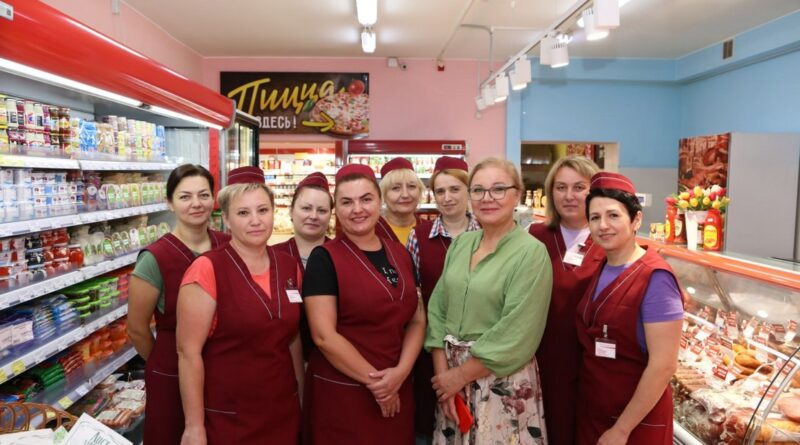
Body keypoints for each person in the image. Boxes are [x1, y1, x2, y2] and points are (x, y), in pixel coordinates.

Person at [425, 157, 552, 445]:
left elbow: (517, 331)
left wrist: (459, 377)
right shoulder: (461, 244)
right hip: (450, 382)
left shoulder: (531, 253)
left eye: (498, 189)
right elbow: (437, 311)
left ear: (517, 195)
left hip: (500, 380)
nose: (487, 198)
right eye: (478, 190)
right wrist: (444, 379)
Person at [176, 166, 304, 445]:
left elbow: (292, 339)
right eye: (243, 213)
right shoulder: (207, 269)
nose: (256, 221)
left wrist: (302, 397)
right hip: (229, 416)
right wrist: (194, 427)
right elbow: (188, 353)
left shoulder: (288, 266)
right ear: (226, 220)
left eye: (263, 210)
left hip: (282, 409)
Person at [302, 163, 426, 445]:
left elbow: (418, 320)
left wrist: (401, 372)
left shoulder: (400, 254)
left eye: (366, 199)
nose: (357, 209)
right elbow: (323, 336)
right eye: (347, 202)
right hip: (345, 392)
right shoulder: (324, 258)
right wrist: (379, 384)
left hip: (397, 385)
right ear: (336, 209)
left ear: (379, 202)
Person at [576, 172, 683, 445]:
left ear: (636, 220)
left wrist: (622, 430)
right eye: (595, 217)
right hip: (595, 412)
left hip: (633, 423)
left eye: (613, 215)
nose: (603, 225)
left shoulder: (656, 278)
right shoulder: (602, 267)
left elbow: (664, 365)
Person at [128, 164, 229, 445]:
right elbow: (137, 329)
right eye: (185, 197)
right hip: (172, 374)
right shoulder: (154, 258)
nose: (196, 203)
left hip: (225, 368)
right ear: (169, 203)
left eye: (203, 195)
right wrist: (164, 364)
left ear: (213, 198)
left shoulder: (229, 246)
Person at [527, 155, 603, 445]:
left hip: (593, 364)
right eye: (560, 187)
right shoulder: (533, 236)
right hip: (541, 359)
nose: (569, 196)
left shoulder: (609, 238)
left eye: (579, 187)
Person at [405, 156, 479, 444]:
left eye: (455, 189)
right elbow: (415, 295)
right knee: (431, 419)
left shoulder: (487, 233)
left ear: (469, 191)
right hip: (431, 345)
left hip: (477, 348)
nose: (447, 198)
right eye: (440, 191)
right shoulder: (419, 236)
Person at [273, 171, 333, 268]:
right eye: (306, 208)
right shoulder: (272, 256)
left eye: (322, 210)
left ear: (330, 215)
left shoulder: (341, 256)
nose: (314, 216)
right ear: (291, 211)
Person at [376, 157, 424, 244]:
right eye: (395, 188)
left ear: (419, 191)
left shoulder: (431, 230)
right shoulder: (373, 230)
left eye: (411, 186)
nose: (405, 195)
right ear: (383, 194)